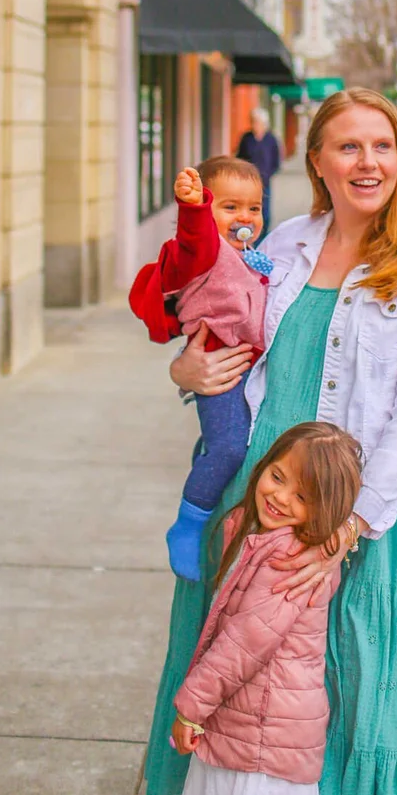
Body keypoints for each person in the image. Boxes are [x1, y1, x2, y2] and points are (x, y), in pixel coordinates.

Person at [145, 87, 397, 795]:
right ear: (317, 163)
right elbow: (216, 320)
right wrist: (186, 370)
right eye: (349, 146)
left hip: (360, 510)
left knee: (366, 687)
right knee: (247, 677)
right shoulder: (282, 245)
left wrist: (349, 525)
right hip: (260, 494)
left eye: (383, 145)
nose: (369, 162)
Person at [171, 421, 363, 795]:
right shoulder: (262, 537)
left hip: (262, 735)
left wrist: (191, 708)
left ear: (324, 509)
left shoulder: (287, 559)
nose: (279, 496)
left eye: (302, 496)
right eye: (277, 477)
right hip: (254, 726)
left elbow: (243, 645)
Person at [129, 156, 272, 581]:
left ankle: (203, 466)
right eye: (229, 207)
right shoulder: (205, 254)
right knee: (230, 449)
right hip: (220, 368)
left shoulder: (247, 255)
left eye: (254, 207)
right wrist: (193, 208)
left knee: (226, 443)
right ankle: (189, 524)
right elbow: (195, 239)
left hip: (245, 368)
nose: (245, 217)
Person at [236, 108, 281, 238]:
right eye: (253, 121)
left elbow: (276, 161)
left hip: (264, 182)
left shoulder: (271, 139)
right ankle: (249, 236)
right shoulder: (247, 138)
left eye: (257, 122)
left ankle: (263, 237)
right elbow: (240, 158)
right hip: (248, 182)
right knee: (248, 209)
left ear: (264, 123)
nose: (254, 124)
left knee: (264, 212)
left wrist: (268, 173)